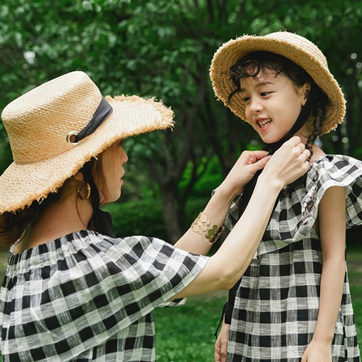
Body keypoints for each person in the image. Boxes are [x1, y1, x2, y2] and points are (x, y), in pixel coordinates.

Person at [0, 70, 309, 362]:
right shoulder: (95, 262)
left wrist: (225, 193)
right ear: (82, 171)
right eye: (115, 144)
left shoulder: (24, 260)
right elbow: (224, 270)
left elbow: (167, 269)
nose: (124, 155)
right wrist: (271, 182)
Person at [210, 31, 362, 362]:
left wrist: (322, 341)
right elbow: (243, 257)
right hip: (252, 323)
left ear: (304, 92)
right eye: (247, 98)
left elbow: (336, 258)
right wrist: (228, 319)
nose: (254, 107)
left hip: (303, 325)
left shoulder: (326, 174)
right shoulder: (255, 174)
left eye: (265, 92)